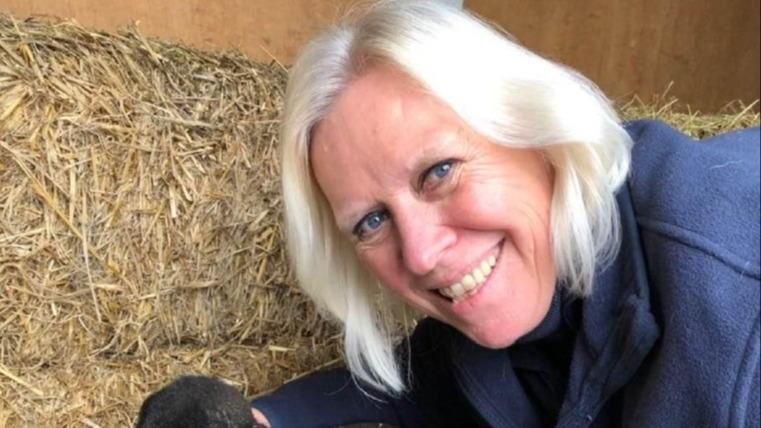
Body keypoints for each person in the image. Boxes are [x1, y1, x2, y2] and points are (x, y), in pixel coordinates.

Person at [241, 1, 760, 427]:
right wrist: (261, 418)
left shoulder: (737, 311)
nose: (421, 255)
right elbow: (415, 387)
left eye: (439, 171)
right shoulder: (526, 284)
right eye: (371, 222)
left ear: (535, 130)